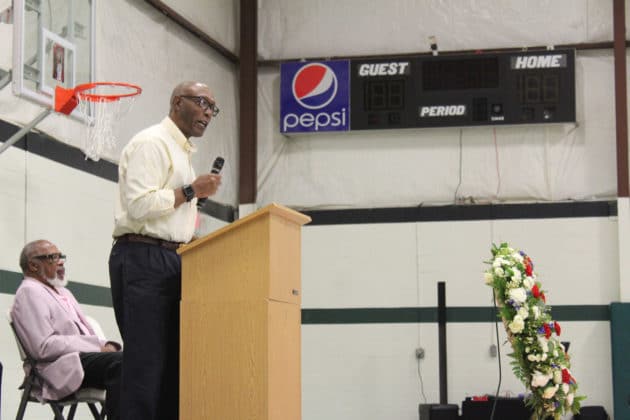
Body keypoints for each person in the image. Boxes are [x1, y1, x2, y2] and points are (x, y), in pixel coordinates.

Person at [108, 81, 222, 420]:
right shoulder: (151, 143)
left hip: (175, 259)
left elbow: (171, 210)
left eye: (213, 108)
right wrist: (190, 191)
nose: (208, 112)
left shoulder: (183, 154)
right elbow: (141, 205)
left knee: (175, 365)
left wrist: (193, 199)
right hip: (144, 258)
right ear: (177, 102)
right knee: (146, 367)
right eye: (202, 102)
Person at [11, 240, 122, 420]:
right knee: (122, 363)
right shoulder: (29, 292)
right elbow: (43, 347)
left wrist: (105, 345)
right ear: (33, 265)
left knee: (135, 361)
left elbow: (84, 334)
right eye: (52, 257)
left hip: (80, 358)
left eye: (60, 256)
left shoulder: (63, 292)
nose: (60, 262)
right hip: (56, 366)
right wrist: (95, 346)